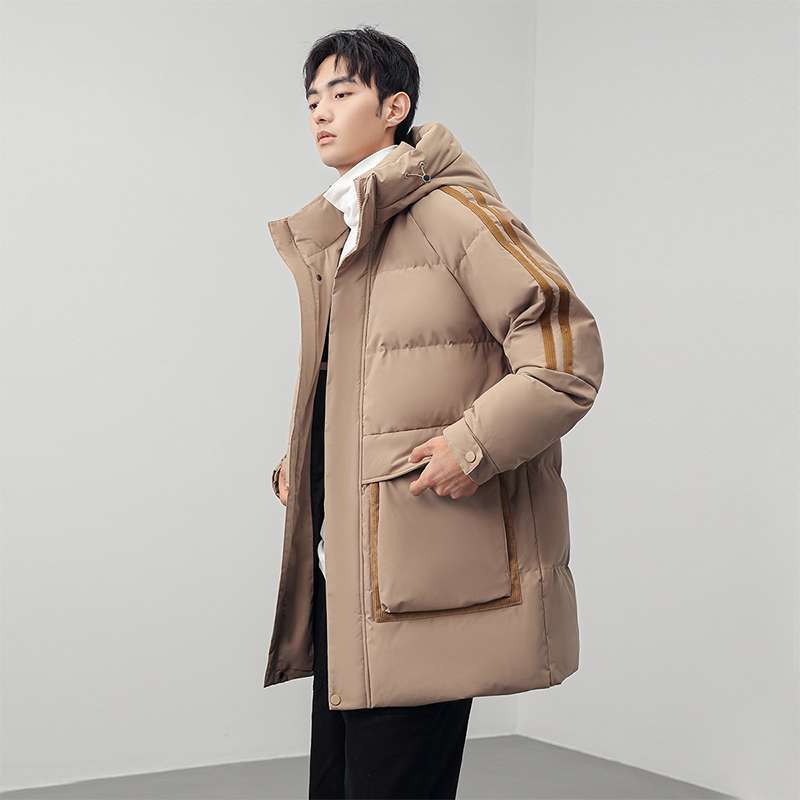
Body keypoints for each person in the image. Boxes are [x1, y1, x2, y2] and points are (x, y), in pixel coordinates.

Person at [268, 24, 604, 800]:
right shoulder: (352, 230)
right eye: (312, 99)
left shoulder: (451, 212)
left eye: (342, 92)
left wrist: (472, 445)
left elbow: (566, 355)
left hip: (427, 576)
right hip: (355, 576)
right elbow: (367, 383)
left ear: (395, 107)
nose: (321, 112)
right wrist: (310, 460)